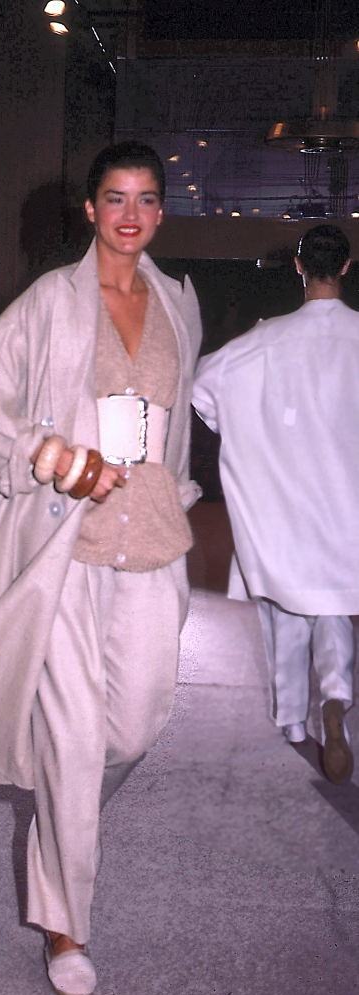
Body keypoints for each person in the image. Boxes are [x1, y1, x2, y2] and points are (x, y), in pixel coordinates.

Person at [0, 141, 202, 995]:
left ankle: (59, 797)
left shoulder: (179, 304)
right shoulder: (46, 302)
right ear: (89, 209)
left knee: (139, 720)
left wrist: (177, 494)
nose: (130, 215)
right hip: (61, 545)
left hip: (149, 538)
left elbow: (175, 429)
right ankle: (67, 925)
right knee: (74, 743)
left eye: (146, 200)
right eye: (115, 198)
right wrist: (60, 459)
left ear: (159, 212)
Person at [193, 224, 359, 784]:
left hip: (283, 502)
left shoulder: (263, 342)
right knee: (332, 605)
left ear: (296, 266)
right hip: (345, 505)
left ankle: (292, 719)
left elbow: (204, 388)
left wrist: (253, 429)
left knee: (288, 610)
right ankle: (335, 698)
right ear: (348, 265)